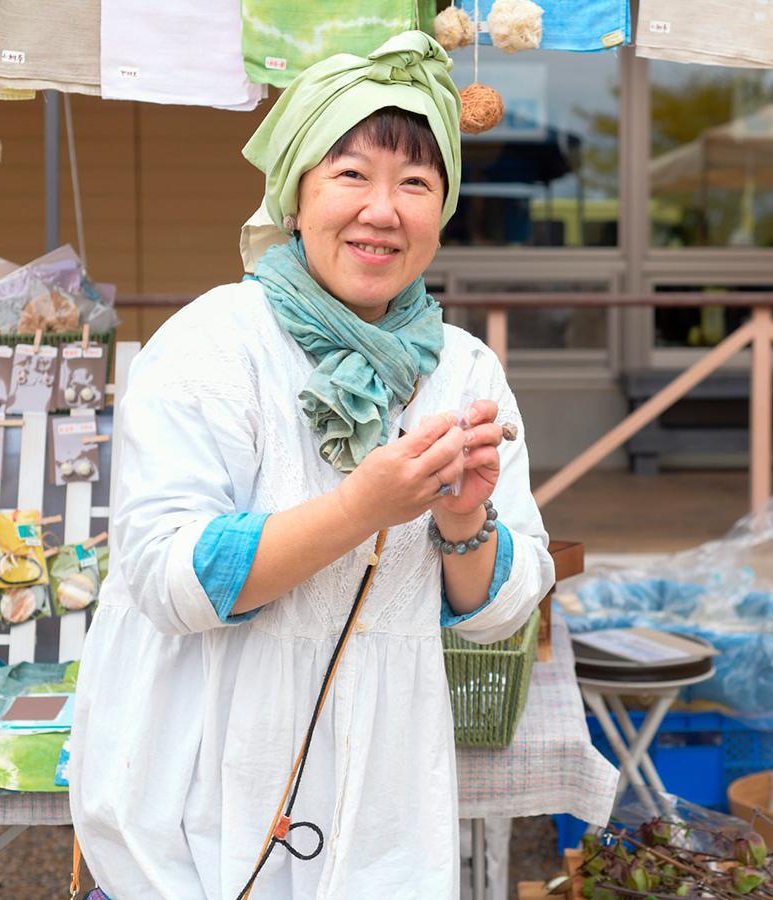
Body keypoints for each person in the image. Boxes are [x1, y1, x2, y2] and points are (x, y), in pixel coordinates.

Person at [69, 32, 555, 898]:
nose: (383, 209)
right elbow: (172, 579)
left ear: (440, 214)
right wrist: (362, 506)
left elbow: (501, 609)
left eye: (416, 183)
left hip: (384, 800)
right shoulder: (216, 343)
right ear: (296, 194)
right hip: (196, 789)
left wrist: (460, 520)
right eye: (351, 175)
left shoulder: (463, 369)